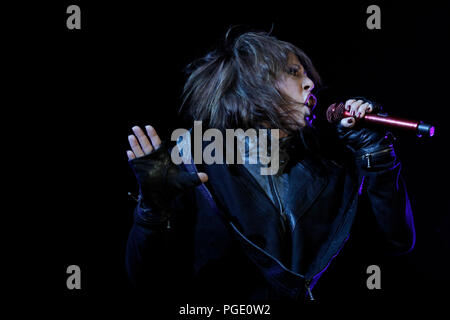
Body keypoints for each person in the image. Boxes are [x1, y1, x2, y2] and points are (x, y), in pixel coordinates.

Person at [125, 31, 415, 301]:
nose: (310, 83)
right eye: (293, 72)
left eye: (306, 74)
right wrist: (151, 210)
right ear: (253, 86)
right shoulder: (195, 164)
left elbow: (395, 242)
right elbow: (147, 281)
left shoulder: (330, 169)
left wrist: (376, 153)